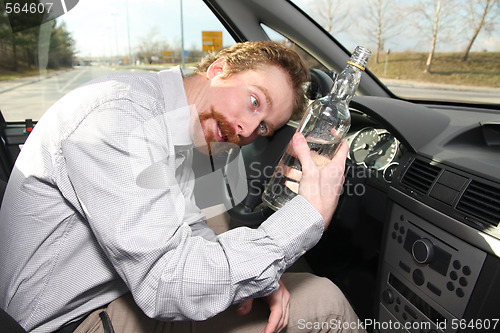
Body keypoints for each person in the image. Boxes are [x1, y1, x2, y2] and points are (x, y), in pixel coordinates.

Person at [0, 41, 365, 333]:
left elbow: (186, 224)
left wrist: (261, 280)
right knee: (326, 301)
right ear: (218, 70)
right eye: (254, 102)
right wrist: (308, 214)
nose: (249, 131)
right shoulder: (118, 116)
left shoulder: (171, 121)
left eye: (265, 127)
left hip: (103, 295)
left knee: (220, 224)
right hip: (69, 321)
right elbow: (166, 284)